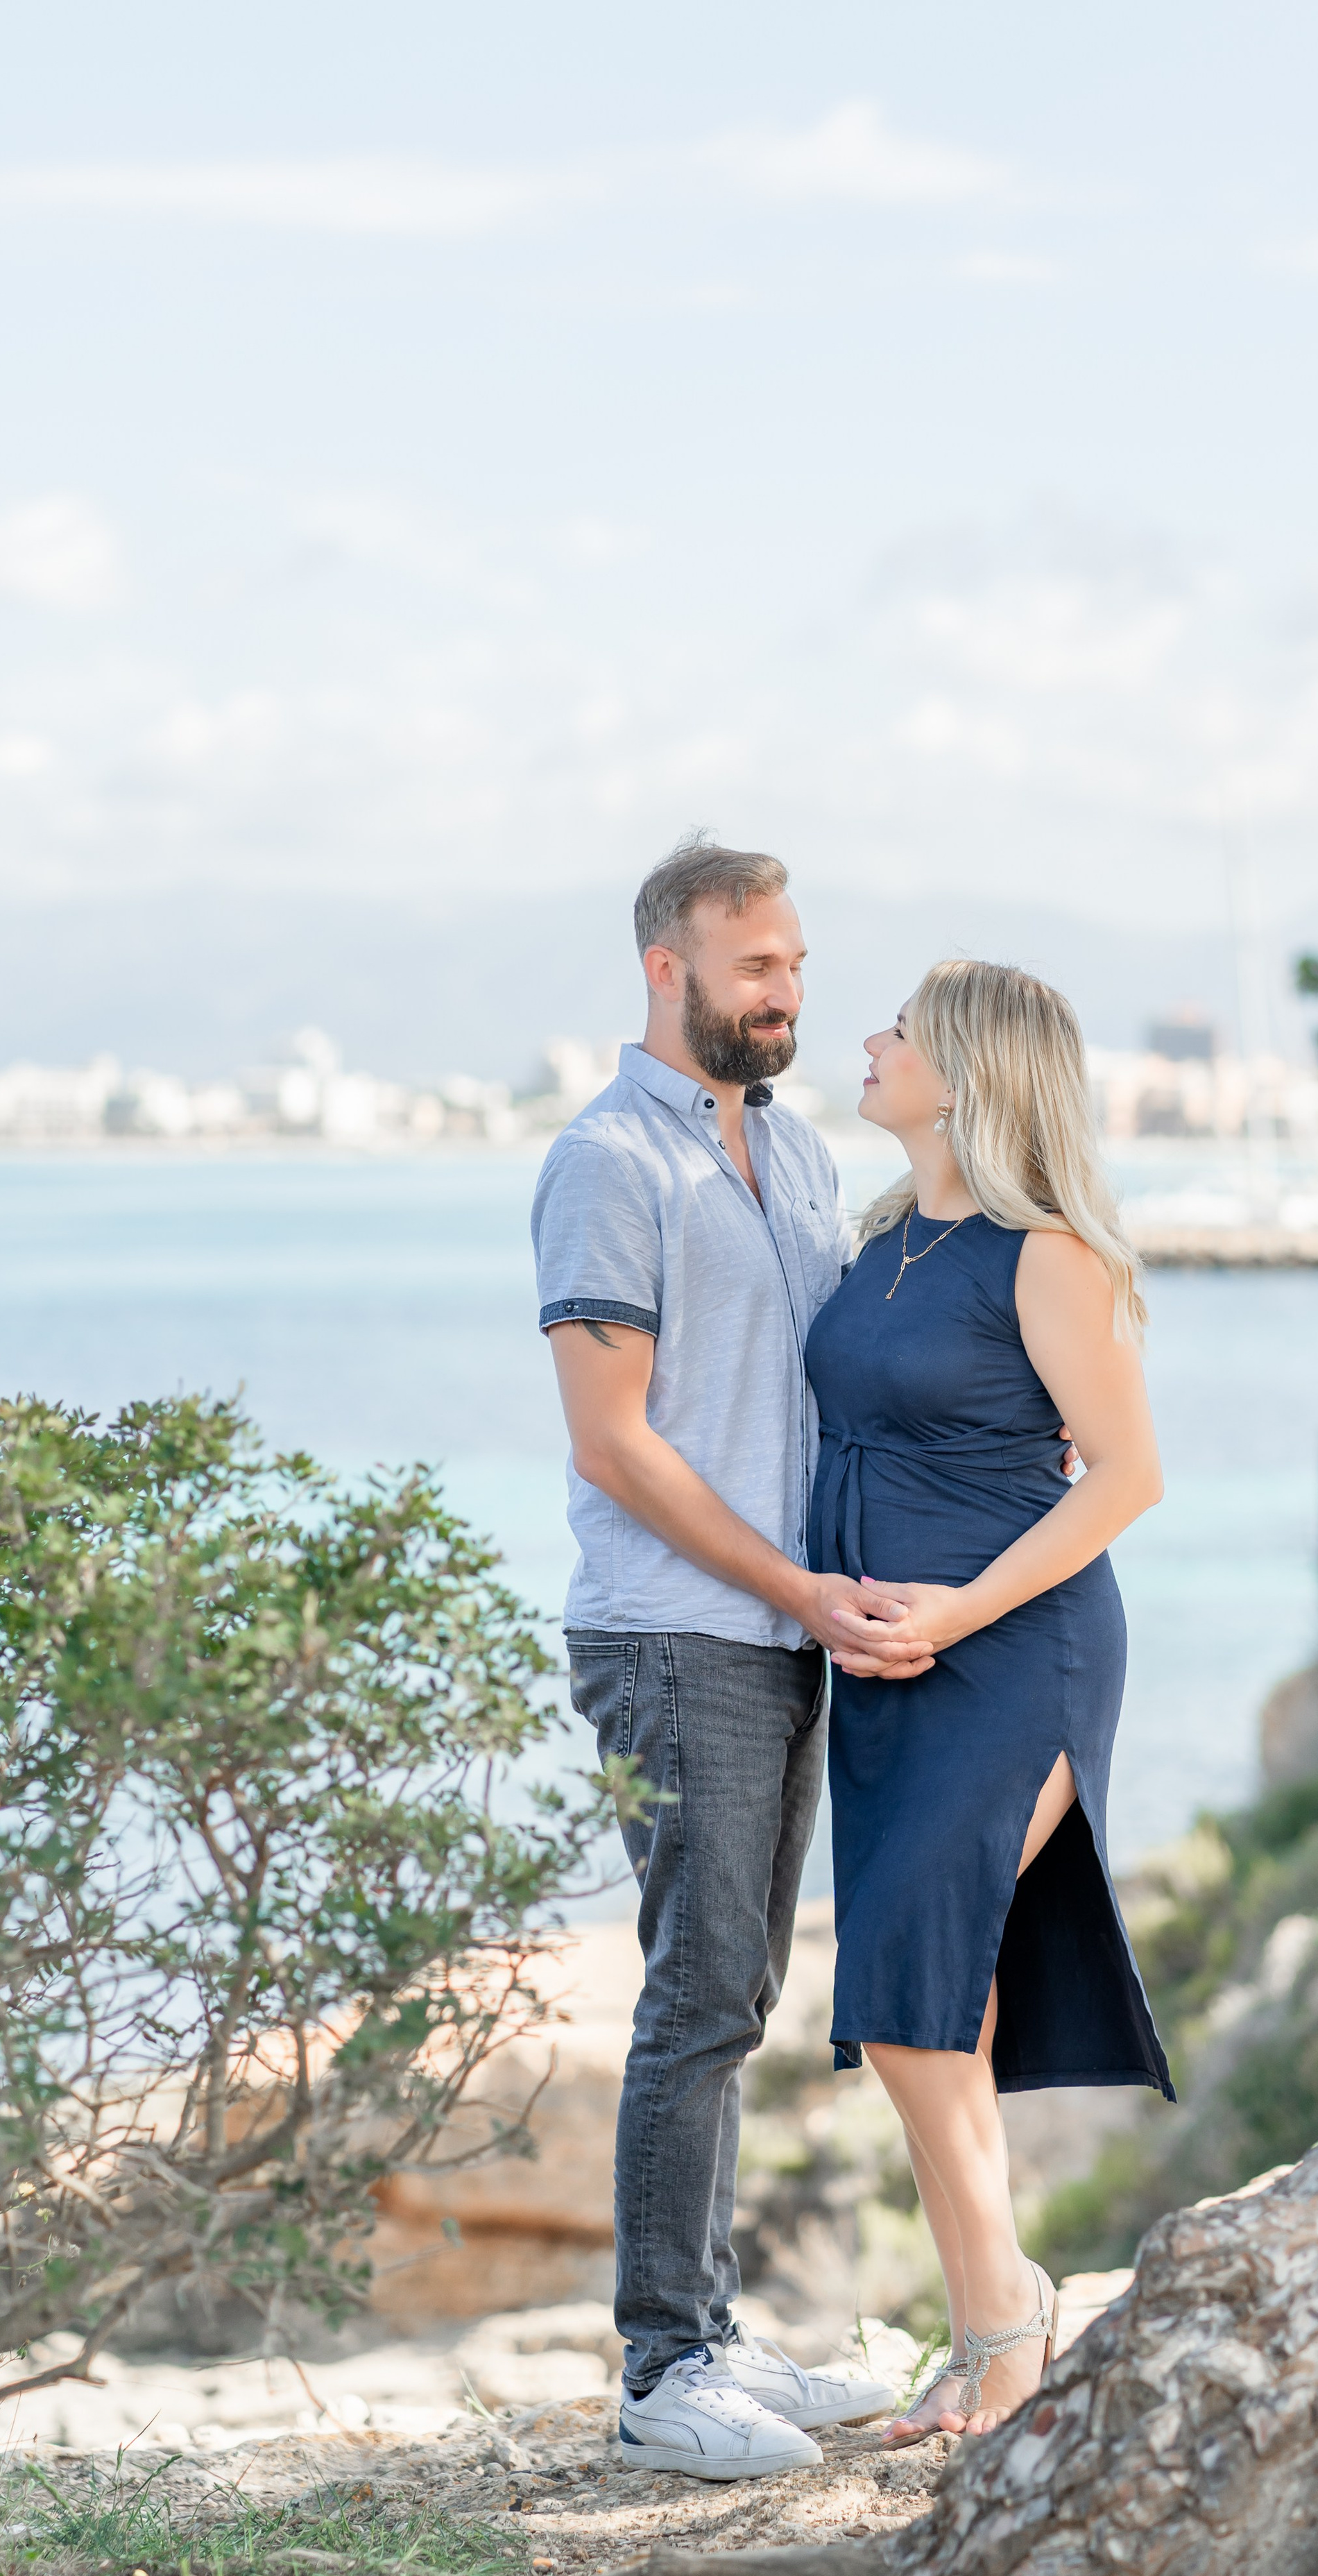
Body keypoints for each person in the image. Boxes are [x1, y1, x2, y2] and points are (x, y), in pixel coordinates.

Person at [531, 835, 921, 2482]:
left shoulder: (802, 1158)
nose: (786, 994)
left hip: (782, 1630)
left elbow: (844, 1386)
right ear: (665, 969)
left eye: (796, 967)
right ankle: (660, 2369)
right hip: (674, 1630)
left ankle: (712, 2329)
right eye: (756, 967)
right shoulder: (608, 1162)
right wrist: (794, 1584)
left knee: (742, 1990)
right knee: (697, 1992)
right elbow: (614, 1444)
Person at [803, 957, 1173, 2443]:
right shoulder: (882, 1240)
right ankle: (987, 2339)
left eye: (897, 1029)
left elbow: (1128, 1479)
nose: (870, 1040)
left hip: (1014, 1650)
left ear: (962, 1074)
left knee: (905, 1981)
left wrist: (951, 1610)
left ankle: (1007, 2326)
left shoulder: (1047, 1255)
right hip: (884, 1658)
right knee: (932, 1997)